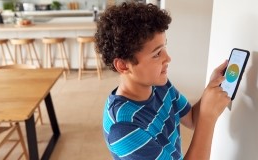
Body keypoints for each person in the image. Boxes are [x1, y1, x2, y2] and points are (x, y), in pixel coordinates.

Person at [95, 2, 231, 160]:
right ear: (123, 65)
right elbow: (202, 120)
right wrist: (208, 118)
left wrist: (210, 88)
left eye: (164, 48)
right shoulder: (123, 127)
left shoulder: (160, 85)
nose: (168, 58)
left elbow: (193, 119)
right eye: (157, 54)